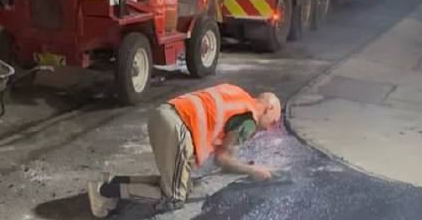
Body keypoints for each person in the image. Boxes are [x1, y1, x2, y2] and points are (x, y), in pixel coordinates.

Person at [86, 83, 281, 217]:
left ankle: (112, 183)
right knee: (174, 198)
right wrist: (253, 170)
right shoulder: (250, 119)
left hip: (166, 115)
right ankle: (103, 191)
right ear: (268, 108)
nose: (268, 128)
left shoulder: (238, 94)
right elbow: (222, 159)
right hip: (178, 127)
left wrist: (244, 166)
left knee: (179, 185)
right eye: (272, 122)